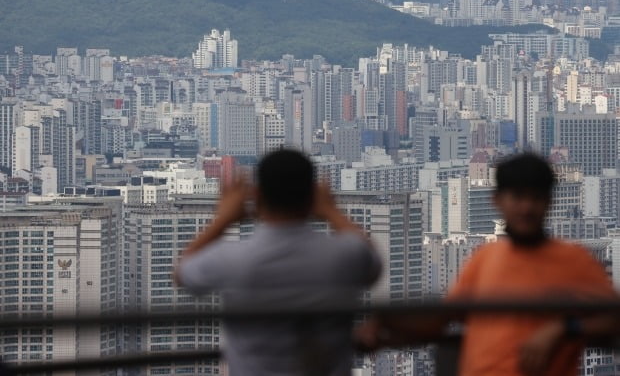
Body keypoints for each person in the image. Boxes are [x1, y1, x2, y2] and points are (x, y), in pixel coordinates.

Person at [356, 153, 619, 376]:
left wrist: (562, 328)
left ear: (549, 202)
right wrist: (387, 323)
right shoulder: (486, 257)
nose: (527, 207)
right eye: (517, 197)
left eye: (536, 198)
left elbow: (614, 317)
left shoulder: (573, 260)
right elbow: (445, 317)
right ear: (498, 201)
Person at [176, 149, 381, 376]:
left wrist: (224, 217)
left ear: (257, 195)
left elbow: (183, 273)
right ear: (312, 195)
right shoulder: (343, 255)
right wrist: (330, 211)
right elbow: (372, 262)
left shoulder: (234, 259)